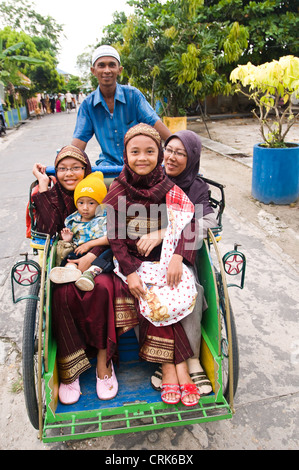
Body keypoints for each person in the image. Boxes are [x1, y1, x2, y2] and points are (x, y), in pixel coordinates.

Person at [104, 123, 200, 406]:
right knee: (150, 298)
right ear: (126, 154)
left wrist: (176, 257)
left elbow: (189, 223)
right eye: (135, 152)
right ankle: (175, 368)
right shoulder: (118, 189)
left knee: (174, 292)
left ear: (158, 155)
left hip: (163, 258)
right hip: (131, 262)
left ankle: (177, 367)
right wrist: (131, 273)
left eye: (149, 151)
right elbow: (115, 237)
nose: (142, 158)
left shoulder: (169, 187)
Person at [32, 145, 117, 405]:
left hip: (99, 260)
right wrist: (44, 186)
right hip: (67, 261)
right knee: (61, 293)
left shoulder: (103, 198)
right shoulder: (55, 196)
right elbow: (47, 231)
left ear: (86, 170)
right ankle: (70, 369)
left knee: (101, 288)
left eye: (76, 167)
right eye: (63, 169)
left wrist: (92, 254)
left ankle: (104, 362)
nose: (69, 174)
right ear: (56, 171)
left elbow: (114, 232)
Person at [138, 130, 216, 395]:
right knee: (149, 290)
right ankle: (167, 358)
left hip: (179, 252)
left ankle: (190, 357)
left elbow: (207, 221)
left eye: (180, 153)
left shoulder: (197, 187)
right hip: (147, 254)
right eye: (168, 150)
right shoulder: (150, 179)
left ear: (191, 157)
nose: (171, 158)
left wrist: (173, 244)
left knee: (191, 288)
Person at [71, 45, 171, 166]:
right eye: (101, 65)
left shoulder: (133, 96)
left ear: (119, 70)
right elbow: (79, 141)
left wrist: (178, 147)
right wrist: (66, 161)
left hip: (138, 164)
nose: (107, 70)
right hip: (108, 166)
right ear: (93, 71)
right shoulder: (88, 105)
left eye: (112, 65)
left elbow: (154, 123)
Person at [49, 171, 113, 291]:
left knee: (109, 254)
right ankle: (70, 270)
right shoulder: (73, 219)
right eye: (81, 202)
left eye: (91, 203)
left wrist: (89, 244)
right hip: (79, 249)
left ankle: (90, 273)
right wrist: (68, 239)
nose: (85, 207)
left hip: (98, 249)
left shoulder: (104, 217)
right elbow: (74, 241)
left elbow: (110, 238)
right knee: (69, 256)